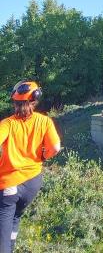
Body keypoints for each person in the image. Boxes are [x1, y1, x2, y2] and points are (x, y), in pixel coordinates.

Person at [0, 80, 61, 253]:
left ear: (14, 101)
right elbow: (55, 148)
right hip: (33, 183)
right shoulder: (45, 121)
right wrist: (43, 156)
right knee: (16, 216)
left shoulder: (7, 124)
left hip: (9, 184)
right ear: (36, 99)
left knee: (1, 233)